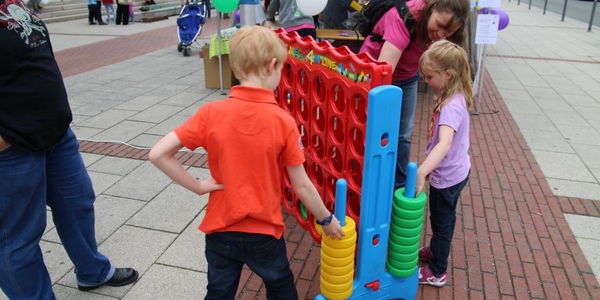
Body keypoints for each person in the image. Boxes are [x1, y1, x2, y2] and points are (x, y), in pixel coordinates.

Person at [149, 26, 345, 299]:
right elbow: (302, 186)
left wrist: (198, 186)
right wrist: (326, 219)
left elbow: (157, 154)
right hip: (264, 233)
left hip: (220, 230)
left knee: (219, 292)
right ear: (272, 66)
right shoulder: (283, 122)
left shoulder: (210, 112)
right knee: (281, 289)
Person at [0, 0, 139, 298]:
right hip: (13, 147)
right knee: (18, 239)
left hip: (55, 132)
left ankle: (92, 271)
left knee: (78, 203)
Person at [358, 0, 470, 191]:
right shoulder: (404, 18)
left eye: (448, 33)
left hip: (408, 75)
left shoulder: (440, 28)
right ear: (433, 8)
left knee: (403, 134)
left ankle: (399, 187)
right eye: (440, 26)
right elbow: (383, 73)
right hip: (377, 75)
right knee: (370, 128)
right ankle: (367, 181)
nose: (441, 35)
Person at [414, 40, 473, 287]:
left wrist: (422, 171)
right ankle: (436, 249)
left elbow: (445, 143)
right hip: (456, 172)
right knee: (443, 218)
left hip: (446, 178)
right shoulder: (453, 95)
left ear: (447, 75)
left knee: (441, 222)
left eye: (429, 77)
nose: (426, 82)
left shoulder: (451, 107)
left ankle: (437, 271)